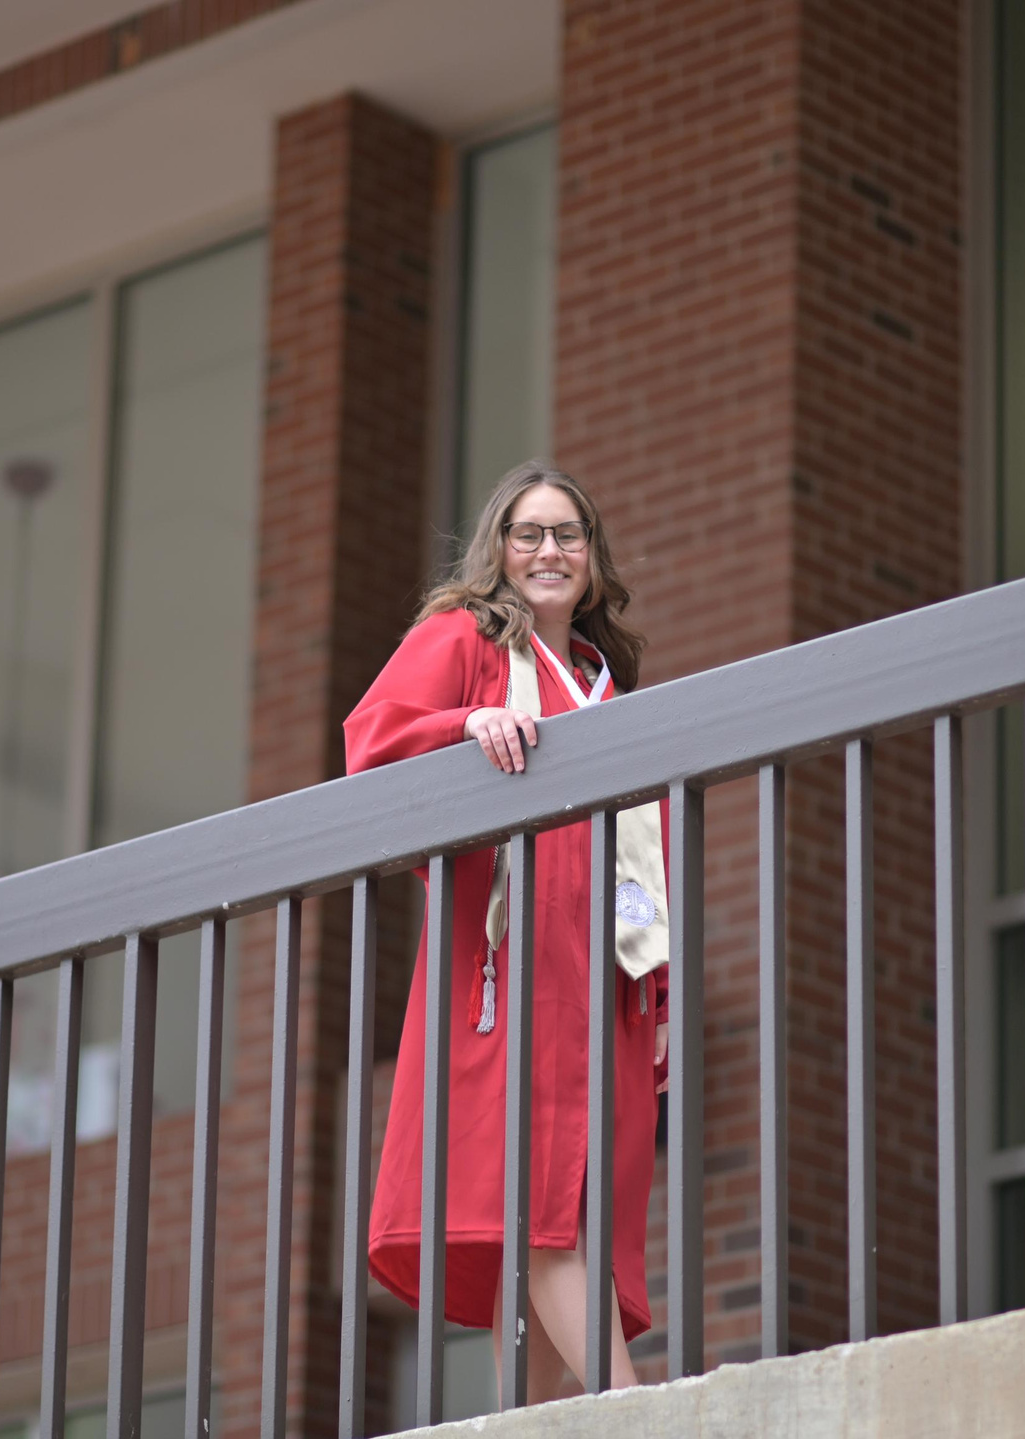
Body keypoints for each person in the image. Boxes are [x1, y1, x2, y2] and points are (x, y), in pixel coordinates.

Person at [345, 461, 666, 1402]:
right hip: (511, 974)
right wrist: (467, 723)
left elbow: (642, 868)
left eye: (569, 535)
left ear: (594, 562)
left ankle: (528, 1420)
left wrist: (658, 993)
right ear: (498, 550)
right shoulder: (468, 640)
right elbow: (373, 741)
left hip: (602, 985)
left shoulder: (610, 687)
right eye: (528, 533)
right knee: (543, 1208)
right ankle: (635, 1409)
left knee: (568, 1212)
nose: (549, 551)